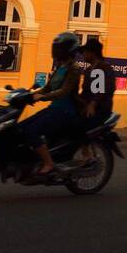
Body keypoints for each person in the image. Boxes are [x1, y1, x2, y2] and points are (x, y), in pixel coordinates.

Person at [17, 32, 83, 177]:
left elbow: (64, 91)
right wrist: (28, 95)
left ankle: (49, 163)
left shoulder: (74, 69)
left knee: (32, 131)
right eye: (56, 47)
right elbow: (48, 87)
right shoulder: (59, 67)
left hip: (65, 112)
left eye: (61, 48)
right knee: (20, 128)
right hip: (54, 109)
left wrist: (42, 97)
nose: (57, 51)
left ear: (70, 50)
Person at [76, 38, 116, 129]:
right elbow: (85, 92)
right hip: (86, 106)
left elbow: (100, 91)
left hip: (99, 109)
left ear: (93, 53)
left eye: (85, 52)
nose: (83, 55)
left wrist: (92, 105)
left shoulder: (100, 68)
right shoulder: (89, 69)